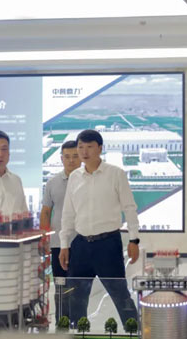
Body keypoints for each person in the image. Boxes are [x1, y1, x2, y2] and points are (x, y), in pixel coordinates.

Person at [59, 130, 139, 326]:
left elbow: (129, 208)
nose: (84, 152)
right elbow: (68, 213)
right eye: (81, 147)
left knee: (120, 295)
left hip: (108, 244)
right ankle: (79, 338)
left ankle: (134, 335)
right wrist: (64, 244)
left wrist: (134, 239)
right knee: (76, 298)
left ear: (100, 148)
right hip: (81, 245)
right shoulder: (75, 177)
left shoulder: (115, 174)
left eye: (89, 147)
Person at [40, 140, 81, 322]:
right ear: (61, 158)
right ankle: (62, 324)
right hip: (58, 244)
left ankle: (80, 325)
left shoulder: (88, 181)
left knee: (80, 287)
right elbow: (46, 212)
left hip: (83, 242)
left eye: (75, 156)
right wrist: (44, 238)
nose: (71, 160)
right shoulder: (52, 183)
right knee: (61, 287)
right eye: (67, 156)